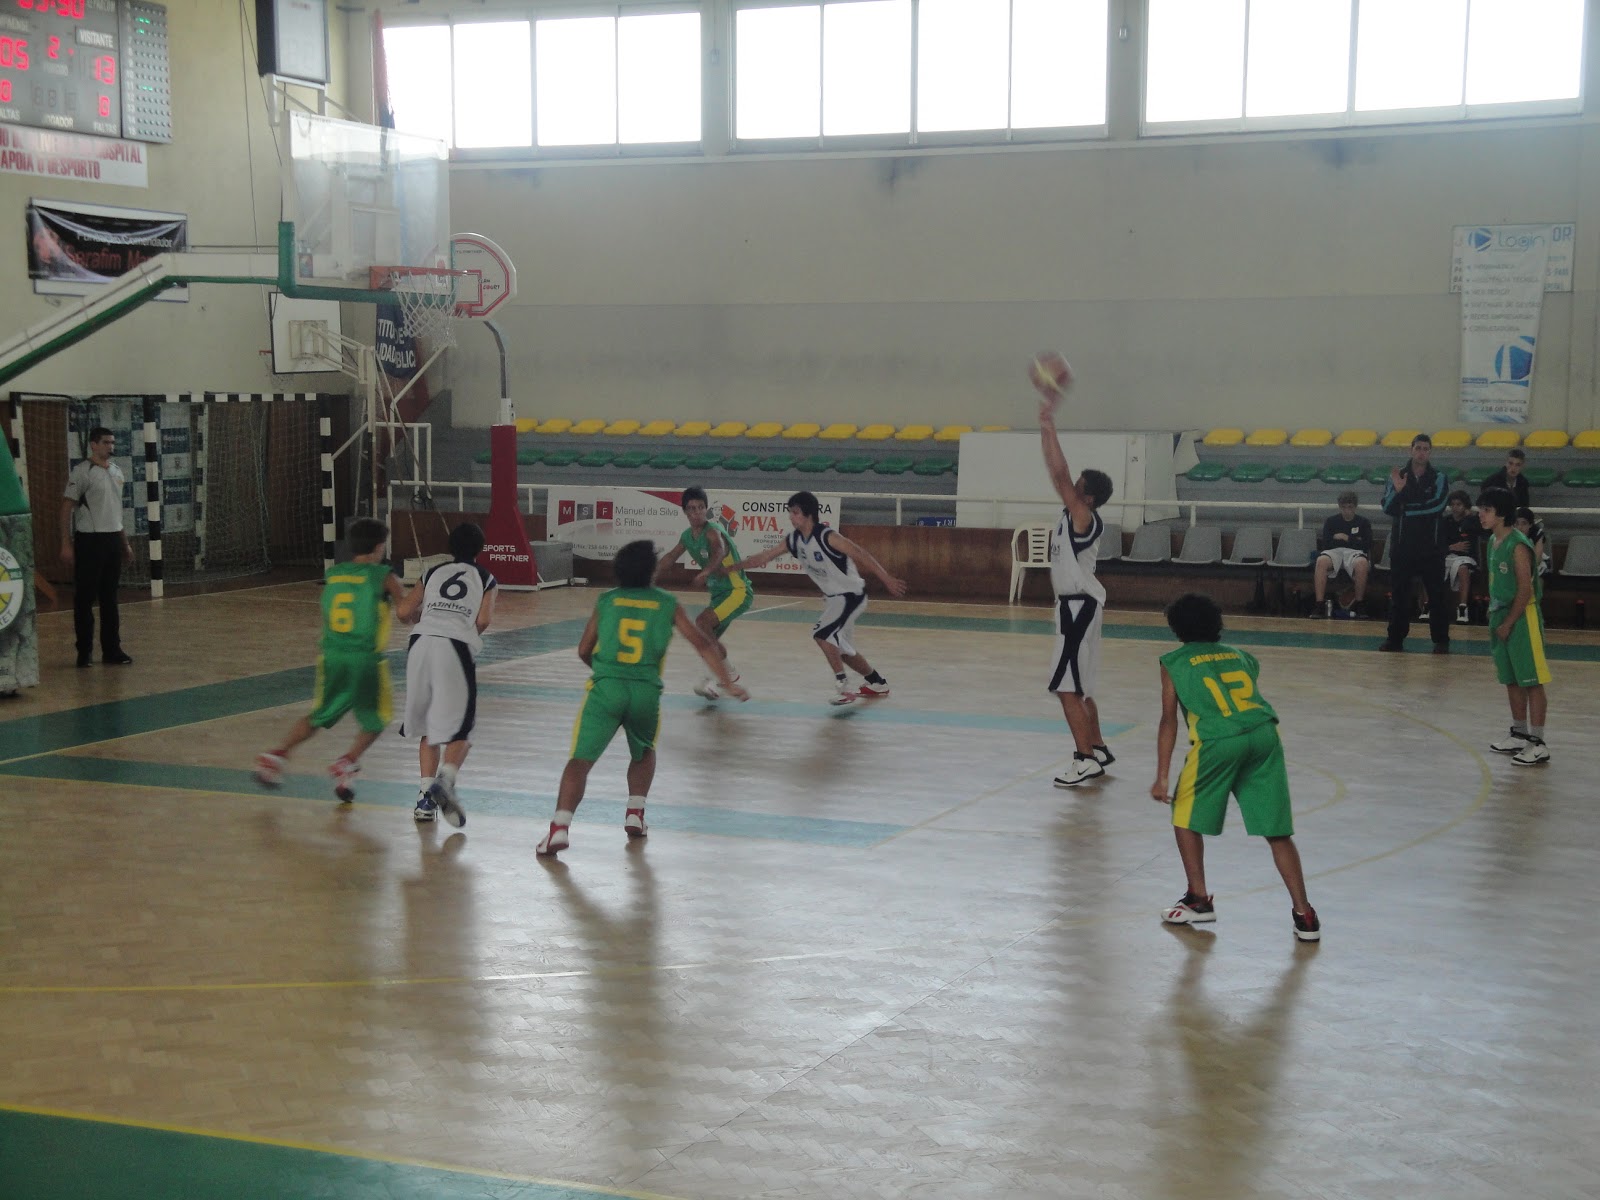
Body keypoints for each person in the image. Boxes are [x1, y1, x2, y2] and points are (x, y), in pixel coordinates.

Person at [535, 540, 748, 857]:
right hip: (645, 692)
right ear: (652, 572)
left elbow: (583, 650)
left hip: (606, 690)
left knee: (579, 761)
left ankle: (559, 829)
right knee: (644, 751)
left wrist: (607, 673)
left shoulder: (607, 600)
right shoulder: (667, 603)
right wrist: (728, 683)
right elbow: (703, 643)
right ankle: (635, 813)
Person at [1150, 592, 1320, 942]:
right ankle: (1305, 914)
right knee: (1277, 832)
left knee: (1184, 815)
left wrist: (1162, 776)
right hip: (1264, 736)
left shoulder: (1174, 662)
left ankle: (1198, 898)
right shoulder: (1242, 656)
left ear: (1176, 629)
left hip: (1218, 741)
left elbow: (1169, 720)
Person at [703, 491, 906, 706]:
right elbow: (763, 557)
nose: (791, 517)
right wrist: (731, 568)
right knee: (842, 651)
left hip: (850, 595)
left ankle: (843, 688)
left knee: (822, 635)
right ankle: (877, 682)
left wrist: (887, 579)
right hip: (834, 600)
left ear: (809, 514)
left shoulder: (827, 536)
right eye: (790, 512)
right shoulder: (794, 540)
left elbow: (861, 554)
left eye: (796, 512)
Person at [254, 518, 406, 801]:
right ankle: (347, 762)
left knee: (319, 714)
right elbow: (406, 613)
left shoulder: (334, 574)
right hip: (364, 658)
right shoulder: (383, 575)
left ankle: (276, 755)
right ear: (379, 547)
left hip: (332, 654)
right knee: (377, 719)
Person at [1028, 351, 1117, 786]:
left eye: (1078, 485)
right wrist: (1046, 427)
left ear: (1089, 496)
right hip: (1081, 606)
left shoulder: (1083, 515)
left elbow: (1059, 474)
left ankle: (1083, 759)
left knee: (1065, 687)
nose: (1070, 486)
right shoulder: (1075, 512)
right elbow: (1057, 474)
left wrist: (1050, 424)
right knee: (1081, 687)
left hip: (1078, 606)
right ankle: (1097, 747)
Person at [395, 522, 497, 828]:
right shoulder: (485, 578)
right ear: (480, 549)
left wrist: (421, 615)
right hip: (454, 646)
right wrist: (462, 632)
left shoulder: (432, 572)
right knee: (462, 727)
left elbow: (403, 612)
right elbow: (483, 620)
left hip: (420, 643)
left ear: (449, 547)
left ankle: (425, 801)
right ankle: (446, 779)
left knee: (430, 726)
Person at [1478, 489, 1551, 766]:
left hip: (1522, 618)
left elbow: (1525, 589)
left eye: (1486, 510)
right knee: (1511, 677)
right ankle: (1519, 733)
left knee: (1532, 680)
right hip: (1501, 615)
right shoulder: (1492, 541)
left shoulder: (1518, 545)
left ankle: (1538, 743)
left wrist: (1509, 622)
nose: (1481, 514)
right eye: (1481, 509)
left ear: (1501, 513)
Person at [60, 426, 134, 667]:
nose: (110, 447)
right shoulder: (82, 471)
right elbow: (66, 508)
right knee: (84, 598)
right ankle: (84, 652)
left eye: (112, 442)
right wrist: (66, 543)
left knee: (109, 598)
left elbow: (115, 512)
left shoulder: (116, 471)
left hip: (112, 540)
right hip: (90, 540)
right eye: (105, 442)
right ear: (93, 444)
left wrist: (124, 543)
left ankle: (112, 650)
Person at [675, 486, 752, 701]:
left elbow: (719, 551)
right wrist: (650, 577)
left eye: (701, 507)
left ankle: (718, 679)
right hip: (720, 594)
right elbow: (670, 557)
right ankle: (725, 676)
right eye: (692, 508)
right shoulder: (687, 536)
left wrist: (706, 572)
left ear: (706, 509)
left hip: (737, 591)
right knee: (707, 638)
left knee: (702, 623)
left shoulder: (713, 530)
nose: (697, 512)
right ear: (685, 512)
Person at [1378, 433, 1451, 653]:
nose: (1421, 452)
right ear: (1411, 450)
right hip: (1402, 547)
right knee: (1399, 596)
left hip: (1432, 548)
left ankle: (1441, 640)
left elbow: (1437, 506)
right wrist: (1398, 492)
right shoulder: (1397, 476)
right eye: (1418, 448)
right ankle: (1395, 639)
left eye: (1425, 449)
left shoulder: (1439, 477)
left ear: (1430, 452)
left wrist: (1406, 506)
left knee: (1437, 596)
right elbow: (1387, 507)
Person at [1311, 491, 1373, 618]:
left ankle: (1360, 604)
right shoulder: (1331, 521)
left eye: (1350, 507)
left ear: (1355, 507)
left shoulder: (1363, 522)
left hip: (1355, 553)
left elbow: (1366, 545)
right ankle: (1319, 605)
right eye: (1344, 507)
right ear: (1340, 507)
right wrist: (1355, 540)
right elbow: (1326, 544)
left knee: (1362, 563)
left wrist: (1346, 538)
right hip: (1334, 551)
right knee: (1321, 561)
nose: (1347, 511)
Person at [1437, 490, 1478, 625]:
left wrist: (1469, 517)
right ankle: (1428, 606)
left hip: (1467, 558)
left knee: (1463, 569)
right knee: (1430, 567)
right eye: (1453, 504)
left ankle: (1462, 608)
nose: (1455, 507)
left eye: (1459, 504)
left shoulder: (1472, 521)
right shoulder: (1445, 521)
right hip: (1447, 556)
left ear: (1465, 505)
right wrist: (1451, 547)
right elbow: (1439, 544)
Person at [1514, 508, 1553, 579]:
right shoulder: (1510, 534)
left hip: (1534, 564)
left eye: (1524, 523)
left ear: (1530, 525)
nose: (1519, 527)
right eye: (1516, 523)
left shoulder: (1536, 533)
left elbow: (1537, 559)